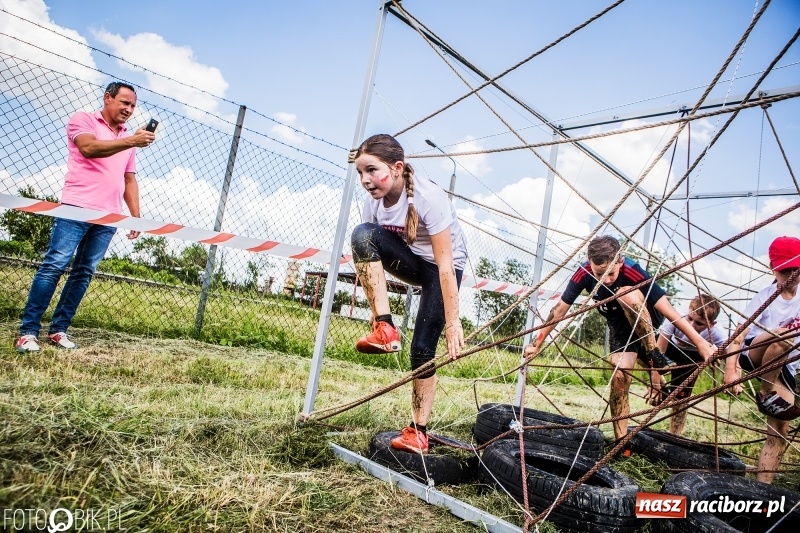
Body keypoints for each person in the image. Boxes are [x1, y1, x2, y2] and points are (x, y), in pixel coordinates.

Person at [523, 235, 717, 440]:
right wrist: (537, 343)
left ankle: (652, 355)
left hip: (646, 313)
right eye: (600, 274)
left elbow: (668, 309)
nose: (606, 280)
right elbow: (560, 310)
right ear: (590, 263)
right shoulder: (583, 273)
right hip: (619, 325)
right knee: (619, 376)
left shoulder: (632, 270)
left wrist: (701, 343)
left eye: (611, 273)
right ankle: (621, 442)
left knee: (625, 293)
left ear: (620, 262)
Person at [15, 81, 155, 352]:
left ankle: (58, 330)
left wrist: (135, 216)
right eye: (124, 102)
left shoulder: (128, 137)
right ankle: (28, 331)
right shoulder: (84, 120)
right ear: (108, 98)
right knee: (54, 265)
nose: (129, 109)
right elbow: (88, 148)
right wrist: (132, 141)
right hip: (76, 208)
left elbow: (129, 179)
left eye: (133, 106)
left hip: (108, 217)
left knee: (83, 273)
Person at [350, 133, 467, 453]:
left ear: (397, 167)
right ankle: (384, 328)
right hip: (410, 261)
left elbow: (444, 267)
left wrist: (454, 321)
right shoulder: (372, 202)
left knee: (421, 348)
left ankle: (418, 432)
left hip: (441, 270)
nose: (365, 180)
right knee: (361, 234)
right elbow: (369, 251)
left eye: (372, 170)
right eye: (360, 172)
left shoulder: (430, 198)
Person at [724, 235, 800, 484]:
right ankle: (766, 393)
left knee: (780, 429)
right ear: (774, 270)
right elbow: (738, 336)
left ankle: (762, 488)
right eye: (786, 270)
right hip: (755, 354)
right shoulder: (765, 297)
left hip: (783, 364)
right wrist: (731, 370)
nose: (792, 275)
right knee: (783, 334)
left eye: (796, 269)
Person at [652, 293, 727, 436]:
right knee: (643, 349)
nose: (692, 326)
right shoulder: (676, 318)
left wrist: (732, 373)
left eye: (699, 323)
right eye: (690, 318)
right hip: (671, 348)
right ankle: (663, 384)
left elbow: (733, 355)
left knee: (680, 400)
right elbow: (658, 351)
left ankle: (675, 436)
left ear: (711, 325)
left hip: (692, 357)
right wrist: (655, 385)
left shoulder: (717, 333)